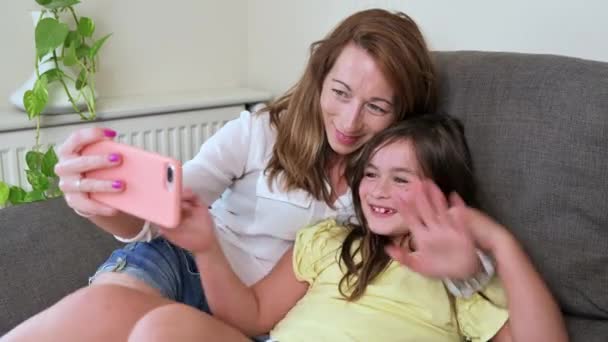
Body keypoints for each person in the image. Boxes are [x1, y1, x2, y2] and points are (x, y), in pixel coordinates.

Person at [3, 9, 441, 341]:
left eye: (377, 107)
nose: (349, 120)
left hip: (260, 312)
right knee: (103, 309)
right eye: (340, 93)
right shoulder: (260, 131)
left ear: (403, 113)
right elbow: (162, 214)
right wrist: (102, 204)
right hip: (181, 261)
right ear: (319, 79)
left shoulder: (391, 185)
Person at [126, 114, 568, 342]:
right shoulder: (329, 239)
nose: (376, 190)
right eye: (370, 174)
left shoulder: (464, 275)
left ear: (444, 191)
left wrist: (497, 241)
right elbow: (250, 315)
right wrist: (206, 248)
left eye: (401, 179)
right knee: (161, 327)